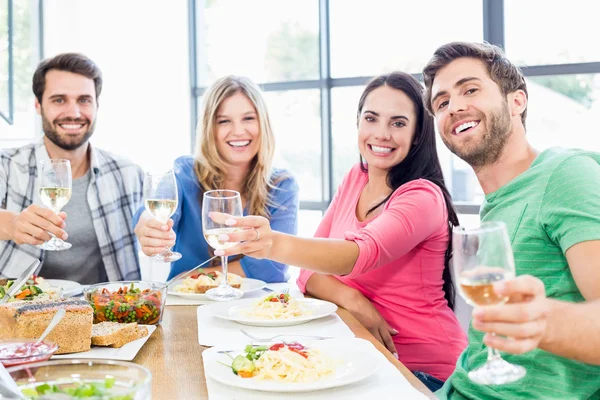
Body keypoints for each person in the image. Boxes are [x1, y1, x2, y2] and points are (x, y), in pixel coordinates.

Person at [209, 72, 467, 391]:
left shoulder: (422, 197)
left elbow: (356, 255)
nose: (382, 134)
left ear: (417, 134)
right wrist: (353, 299)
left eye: (398, 123)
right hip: (362, 349)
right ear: (358, 123)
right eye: (371, 119)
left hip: (421, 371)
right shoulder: (355, 178)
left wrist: (270, 242)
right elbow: (308, 273)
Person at [421, 41, 600, 399]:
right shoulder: (498, 204)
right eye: (442, 103)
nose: (454, 107)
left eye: (470, 89)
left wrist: (541, 321)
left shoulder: (564, 174)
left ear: (517, 101)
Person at [133, 76, 298, 283]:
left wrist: (193, 278)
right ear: (209, 129)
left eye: (248, 118)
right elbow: (149, 214)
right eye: (224, 121)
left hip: (259, 308)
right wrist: (147, 226)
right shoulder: (187, 173)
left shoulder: (281, 185)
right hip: (189, 308)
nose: (238, 131)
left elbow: (270, 268)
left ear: (263, 123)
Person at [0, 53, 144, 284]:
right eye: (59, 100)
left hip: (106, 314)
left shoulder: (128, 174)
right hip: (19, 312)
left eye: (84, 100)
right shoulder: (6, 165)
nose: (74, 113)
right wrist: (12, 224)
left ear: (97, 104)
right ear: (38, 105)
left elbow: (157, 230)